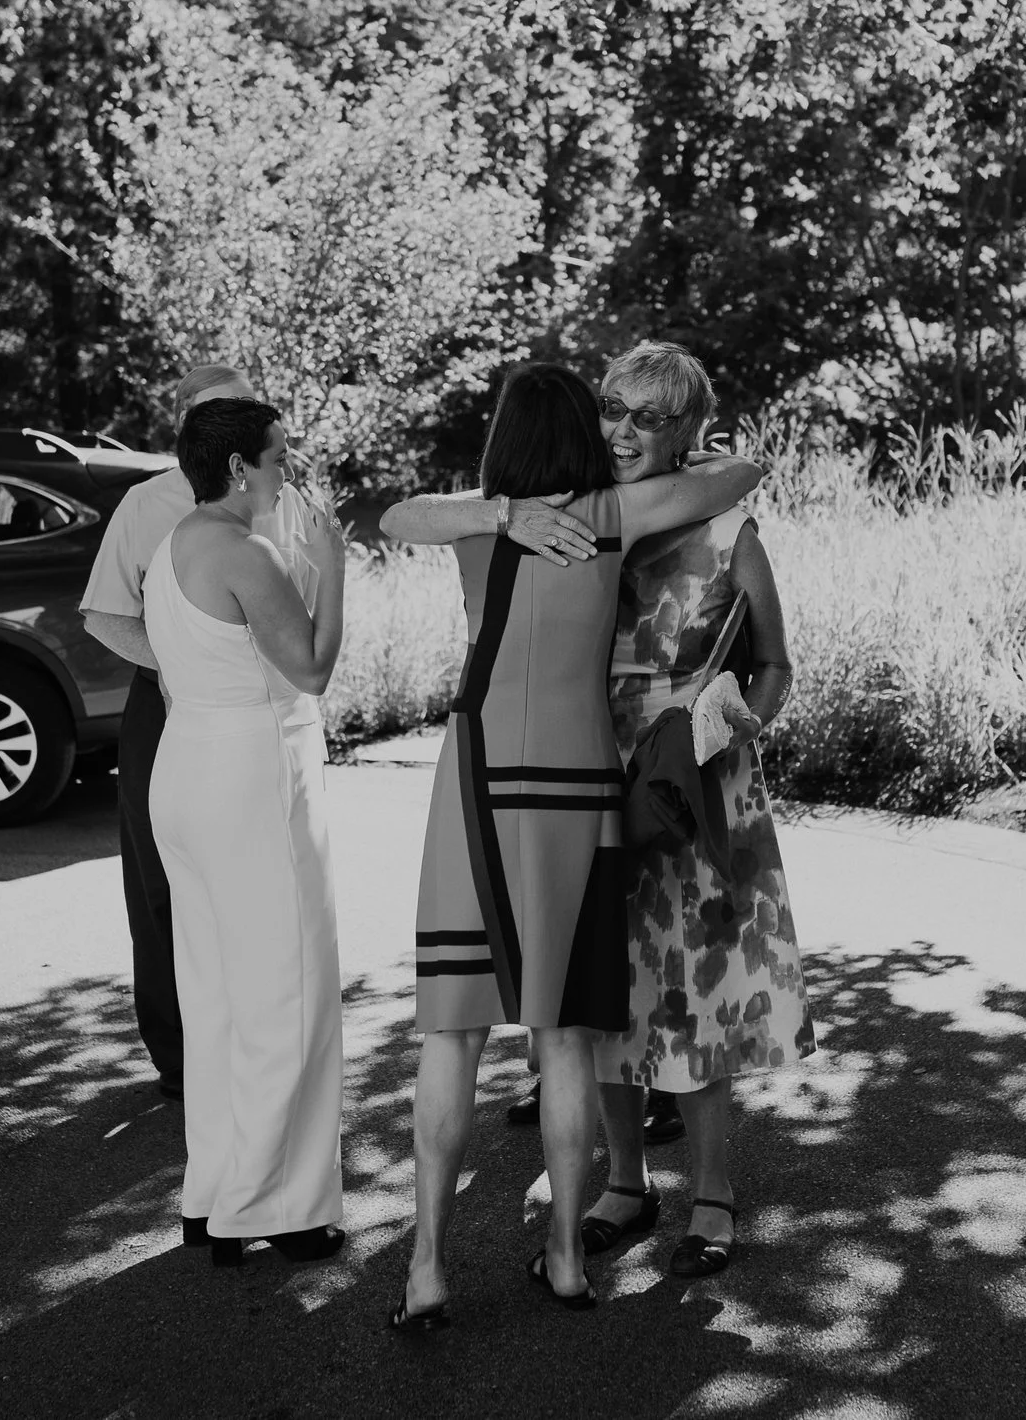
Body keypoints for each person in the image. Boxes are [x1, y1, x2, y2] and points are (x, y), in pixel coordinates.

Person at [378, 363, 766, 1331]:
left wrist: (498, 511)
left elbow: (392, 515)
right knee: (563, 1036)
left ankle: (426, 1266)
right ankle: (561, 1257)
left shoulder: (475, 519)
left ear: (504, 440)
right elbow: (742, 471)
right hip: (578, 787)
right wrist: (693, 445)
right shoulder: (609, 514)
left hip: (471, 784)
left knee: (451, 1031)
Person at [577, 341, 816, 1279]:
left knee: (703, 994)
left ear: (689, 433)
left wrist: (728, 720)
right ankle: (626, 1181)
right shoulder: (582, 523)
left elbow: (777, 665)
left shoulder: (732, 534)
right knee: (606, 992)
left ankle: (712, 1192)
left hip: (701, 781)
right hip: (596, 775)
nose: (623, 432)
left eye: (648, 417)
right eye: (612, 409)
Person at [144, 396, 349, 1266]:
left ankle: (213, 1195)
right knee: (287, 995)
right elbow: (310, 668)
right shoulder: (247, 550)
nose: (287, 473)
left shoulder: (173, 544)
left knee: (217, 998)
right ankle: (284, 1207)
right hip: (254, 776)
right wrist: (331, 568)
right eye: (278, 458)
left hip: (185, 766)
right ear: (238, 468)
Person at [82, 365, 318, 1102]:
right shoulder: (144, 503)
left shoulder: (282, 500)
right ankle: (179, 1057)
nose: (232, 431)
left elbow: (299, 611)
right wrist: (187, 662)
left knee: (266, 884)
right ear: (186, 428)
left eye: (244, 413)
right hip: (165, 703)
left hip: (265, 709)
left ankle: (261, 1042)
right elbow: (103, 612)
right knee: (160, 883)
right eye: (216, 416)